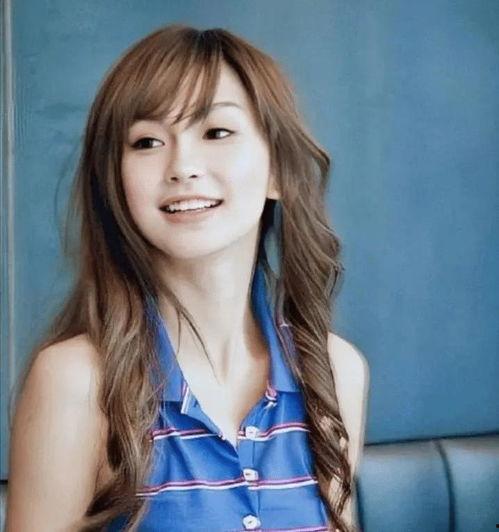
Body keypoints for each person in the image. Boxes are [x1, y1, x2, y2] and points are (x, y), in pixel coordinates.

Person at [5, 24, 369, 532]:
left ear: (277, 170)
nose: (182, 166)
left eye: (216, 132)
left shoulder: (333, 371)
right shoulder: (77, 382)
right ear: (115, 182)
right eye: (147, 141)